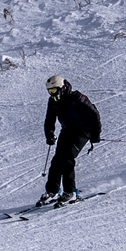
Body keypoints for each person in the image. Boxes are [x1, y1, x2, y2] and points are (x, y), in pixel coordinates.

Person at [38, 74, 102, 206]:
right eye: (49, 91)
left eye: (54, 90)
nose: (52, 94)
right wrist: (49, 135)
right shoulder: (53, 101)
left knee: (67, 159)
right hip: (67, 131)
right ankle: (52, 191)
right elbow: (49, 120)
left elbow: (94, 114)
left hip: (83, 132)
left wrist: (95, 134)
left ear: (61, 87)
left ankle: (70, 192)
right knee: (57, 160)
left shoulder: (76, 98)